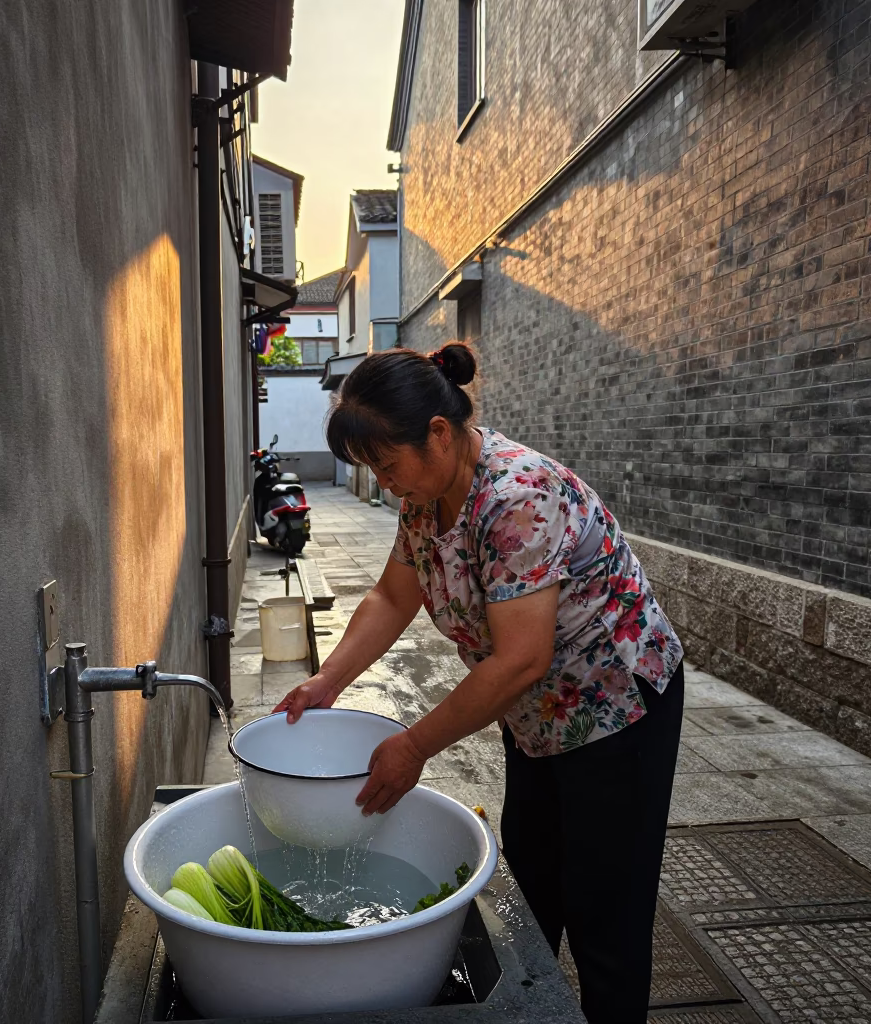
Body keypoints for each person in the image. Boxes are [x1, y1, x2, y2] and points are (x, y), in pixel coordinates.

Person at [273, 342, 684, 1024]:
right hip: (536, 716)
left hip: (616, 709)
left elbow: (520, 658)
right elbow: (390, 597)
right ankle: (537, 1011)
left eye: (387, 464)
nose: (384, 482)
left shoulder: (517, 496)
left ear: (438, 433)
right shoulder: (424, 496)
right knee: (534, 887)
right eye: (373, 470)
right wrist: (327, 682)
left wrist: (414, 746)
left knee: (603, 911)